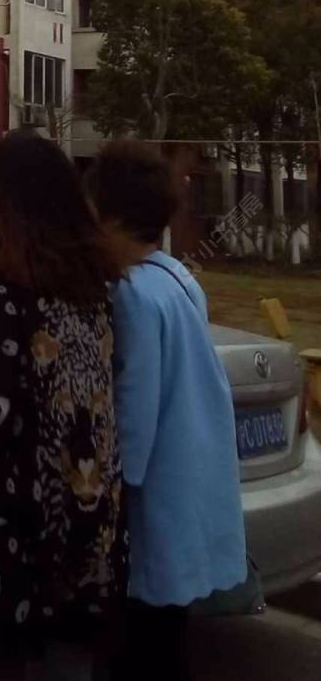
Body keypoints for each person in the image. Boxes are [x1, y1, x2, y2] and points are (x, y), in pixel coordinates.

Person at [0, 130, 127, 681]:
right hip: (87, 518)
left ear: (5, 196)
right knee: (65, 665)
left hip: (10, 523)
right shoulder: (95, 280)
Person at [89, 140, 247, 681]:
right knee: (168, 632)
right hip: (191, 478)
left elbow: (135, 405)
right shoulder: (178, 277)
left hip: (154, 493)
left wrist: (115, 487)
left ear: (111, 217)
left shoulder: (131, 294)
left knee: (144, 639)